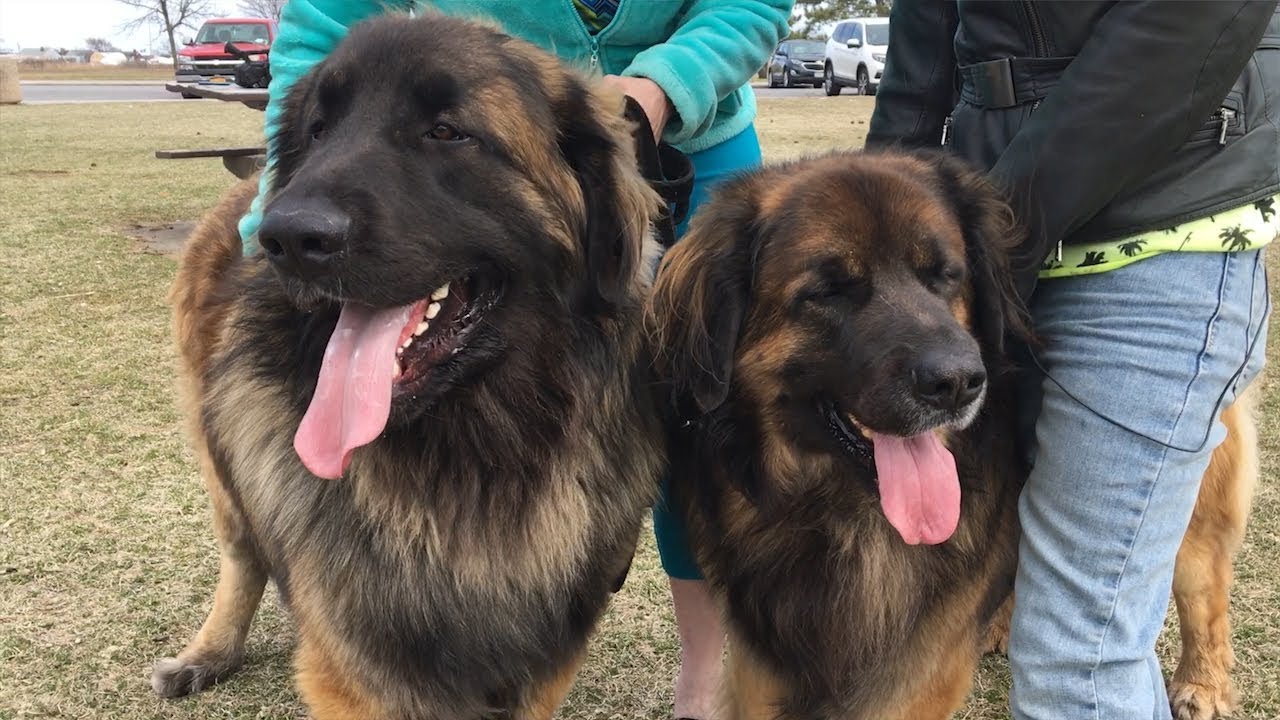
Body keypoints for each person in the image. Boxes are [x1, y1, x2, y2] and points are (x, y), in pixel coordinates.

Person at [235, 2, 793, 718]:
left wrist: (667, 85)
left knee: (704, 429)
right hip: (510, 119)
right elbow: (321, 20)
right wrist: (274, 217)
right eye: (321, 131)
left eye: (443, 130)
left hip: (686, 129)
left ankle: (705, 679)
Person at [866, 2, 1277, 719]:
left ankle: (1208, 656)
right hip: (986, 254)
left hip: (1156, 237)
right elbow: (920, 60)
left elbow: (1186, 25)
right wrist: (886, 247)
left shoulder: (995, 236)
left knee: (1077, 659)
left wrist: (995, 236)